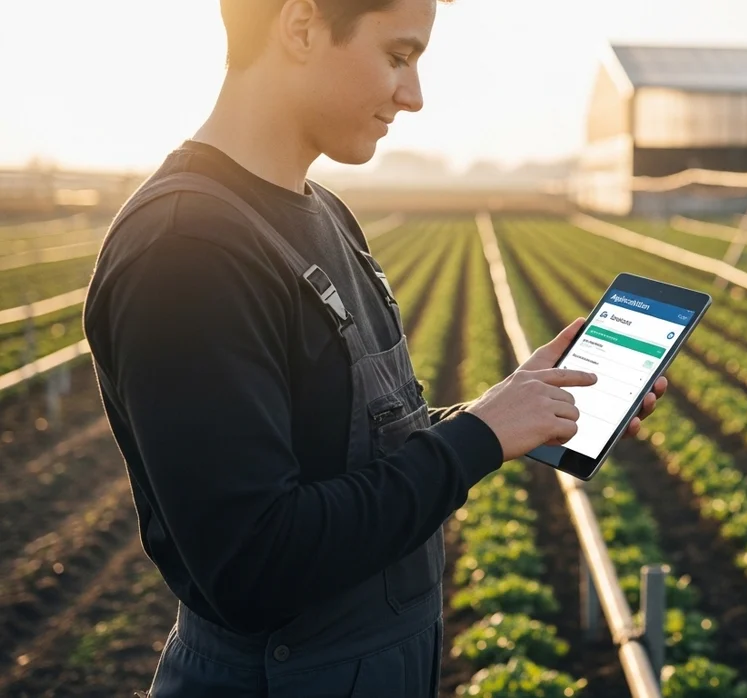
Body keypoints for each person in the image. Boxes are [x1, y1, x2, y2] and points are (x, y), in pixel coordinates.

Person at [81, 0, 669, 696]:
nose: (414, 97)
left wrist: (512, 409)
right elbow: (256, 564)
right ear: (300, 27)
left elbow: (349, 454)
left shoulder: (322, 211)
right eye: (398, 57)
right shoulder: (188, 251)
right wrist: (477, 438)